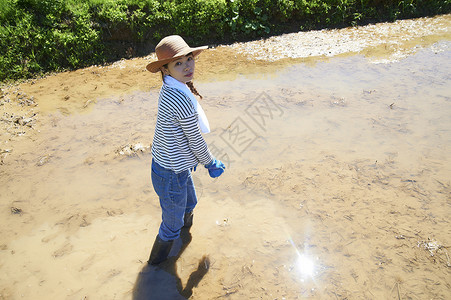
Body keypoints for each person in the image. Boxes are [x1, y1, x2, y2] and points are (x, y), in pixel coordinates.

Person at [146, 35, 225, 265]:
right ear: (166, 70)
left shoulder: (172, 88)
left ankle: (186, 239)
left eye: (189, 59)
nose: (187, 66)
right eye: (178, 63)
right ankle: (154, 269)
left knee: (190, 204)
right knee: (171, 226)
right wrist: (210, 163)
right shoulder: (179, 98)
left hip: (170, 167)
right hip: (170, 174)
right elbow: (194, 140)